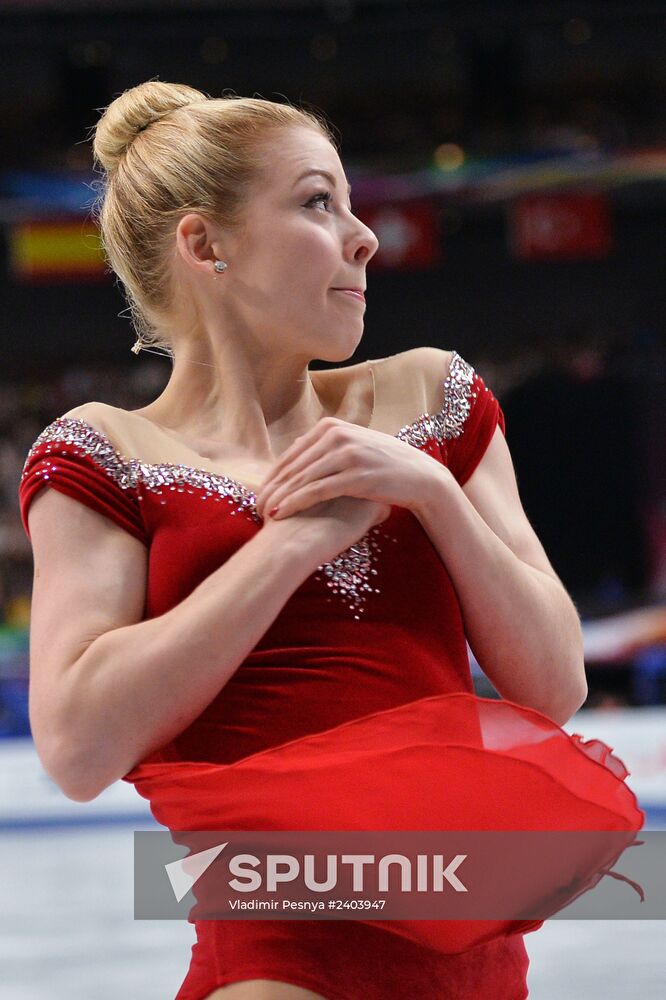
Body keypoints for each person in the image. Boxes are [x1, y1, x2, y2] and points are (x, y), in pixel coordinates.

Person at [18, 82, 643, 1000]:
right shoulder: (103, 452)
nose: (365, 236)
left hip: (473, 952)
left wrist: (430, 492)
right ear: (204, 242)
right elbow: (76, 748)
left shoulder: (433, 400)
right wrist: (284, 548)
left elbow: (554, 685)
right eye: (319, 202)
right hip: (277, 958)